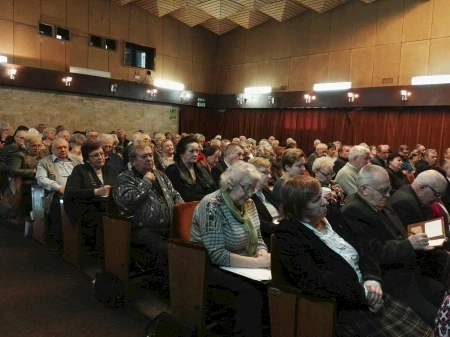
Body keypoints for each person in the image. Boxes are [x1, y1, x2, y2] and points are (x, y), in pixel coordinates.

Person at [275, 175, 434, 336]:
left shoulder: (332, 215)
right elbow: (316, 280)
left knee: (426, 332)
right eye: (316, 200)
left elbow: (365, 250)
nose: (324, 202)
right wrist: (364, 293)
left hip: (372, 291)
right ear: (299, 207)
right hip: (343, 307)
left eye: (321, 196)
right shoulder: (289, 234)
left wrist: (373, 280)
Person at [342, 165, 446, 326]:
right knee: (436, 320)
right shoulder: (354, 210)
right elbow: (371, 252)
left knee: (443, 295)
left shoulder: (378, 202)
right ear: (364, 189)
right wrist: (409, 244)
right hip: (392, 282)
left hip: (409, 274)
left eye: (389, 189)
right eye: (383, 191)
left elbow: (399, 234)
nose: (388, 195)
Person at [190, 161, 270, 337]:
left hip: (242, 263)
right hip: (208, 266)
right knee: (251, 293)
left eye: (253, 189)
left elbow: (257, 237)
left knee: (273, 287)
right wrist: (257, 263)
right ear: (230, 184)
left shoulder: (248, 203)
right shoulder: (212, 204)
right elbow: (217, 255)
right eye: (246, 188)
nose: (250, 194)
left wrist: (262, 251)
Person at [113, 143, 183, 285]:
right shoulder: (124, 178)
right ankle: (166, 288)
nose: (149, 159)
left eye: (150, 155)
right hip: (143, 230)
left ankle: (182, 286)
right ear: (133, 161)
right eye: (144, 156)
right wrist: (146, 181)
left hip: (169, 227)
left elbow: (175, 196)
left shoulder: (160, 176)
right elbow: (127, 204)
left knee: (189, 248)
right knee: (167, 252)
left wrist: (184, 212)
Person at [64, 140, 118, 258]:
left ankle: (115, 255)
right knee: (100, 219)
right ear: (87, 159)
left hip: (109, 207)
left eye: (101, 154)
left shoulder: (110, 169)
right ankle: (102, 256)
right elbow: (71, 192)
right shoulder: (80, 170)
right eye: (95, 155)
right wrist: (96, 192)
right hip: (87, 208)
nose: (100, 157)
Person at [36, 138, 83, 255]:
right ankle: (58, 242)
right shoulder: (44, 162)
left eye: (65, 147)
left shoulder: (77, 161)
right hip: (57, 194)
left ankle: (82, 243)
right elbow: (41, 179)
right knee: (57, 205)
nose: (63, 149)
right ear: (52, 150)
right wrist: (58, 188)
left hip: (79, 192)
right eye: (59, 147)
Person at [165, 136, 216, 201]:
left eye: (197, 151)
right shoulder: (173, 170)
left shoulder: (201, 168)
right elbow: (184, 197)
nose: (195, 154)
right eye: (191, 151)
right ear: (181, 153)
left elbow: (213, 188)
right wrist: (209, 197)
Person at [248, 157, 280, 249]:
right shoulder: (247, 195)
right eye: (264, 172)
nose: (270, 176)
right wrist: (281, 228)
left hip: (278, 233)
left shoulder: (265, 190)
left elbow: (280, 209)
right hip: (264, 240)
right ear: (252, 174)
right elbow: (257, 223)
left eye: (269, 172)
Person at [10, 135, 43, 222]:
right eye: (33, 146)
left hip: (41, 182)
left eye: (39, 145)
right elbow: (14, 170)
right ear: (27, 145)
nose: (37, 148)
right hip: (26, 183)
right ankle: (27, 223)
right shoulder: (20, 155)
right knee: (29, 194)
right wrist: (32, 171)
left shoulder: (43, 156)